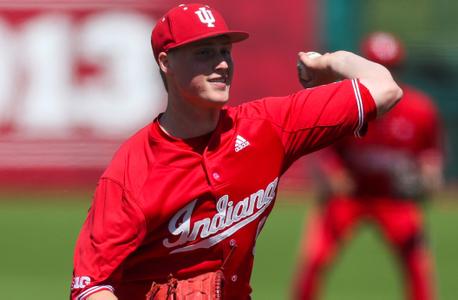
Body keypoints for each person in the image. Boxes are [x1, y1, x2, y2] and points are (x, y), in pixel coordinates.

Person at [70, 4, 402, 299]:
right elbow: (89, 286)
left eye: (224, 51)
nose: (222, 64)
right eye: (204, 53)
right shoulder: (131, 171)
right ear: (165, 61)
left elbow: (385, 88)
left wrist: (327, 63)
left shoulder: (268, 128)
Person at [293, 32, 444, 300]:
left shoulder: (420, 110)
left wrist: (427, 178)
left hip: (394, 198)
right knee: (314, 259)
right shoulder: (346, 105)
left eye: (392, 68)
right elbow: (326, 148)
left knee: (418, 266)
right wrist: (334, 172)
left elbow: (430, 159)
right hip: (350, 196)